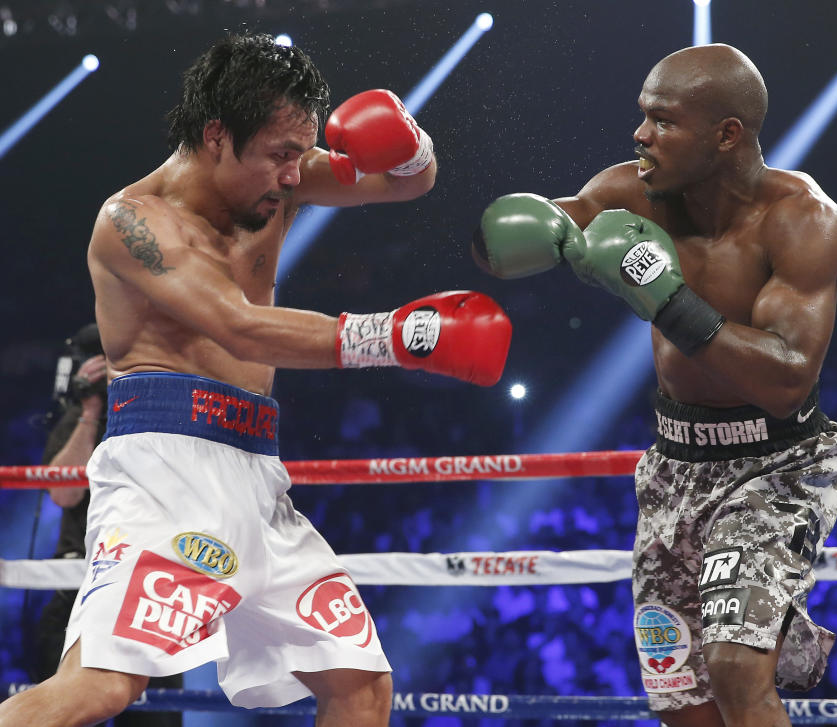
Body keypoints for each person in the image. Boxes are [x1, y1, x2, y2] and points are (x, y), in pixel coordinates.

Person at [0, 33, 511, 727]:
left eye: (301, 154)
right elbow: (236, 326)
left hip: (257, 474)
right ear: (217, 136)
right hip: (164, 472)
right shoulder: (135, 222)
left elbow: (410, 180)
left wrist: (409, 142)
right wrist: (398, 336)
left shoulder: (277, 179)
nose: (297, 175)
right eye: (280, 154)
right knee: (99, 688)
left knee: (359, 687)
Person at [473, 44, 837, 727]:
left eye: (661, 121)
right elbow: (504, 244)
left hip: (775, 464)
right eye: (641, 117)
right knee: (680, 697)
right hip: (673, 467)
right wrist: (495, 234)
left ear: (725, 134)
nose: (640, 134)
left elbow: (788, 381)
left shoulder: (801, 218)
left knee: (736, 667)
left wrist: (665, 299)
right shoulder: (625, 192)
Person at [32, 323, 183, 727]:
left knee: (153, 714)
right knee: (66, 707)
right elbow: (63, 494)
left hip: (145, 585)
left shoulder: (162, 420)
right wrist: (90, 412)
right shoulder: (76, 420)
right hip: (78, 580)